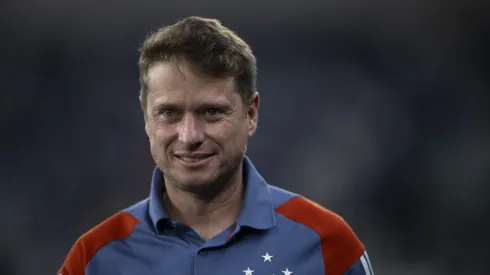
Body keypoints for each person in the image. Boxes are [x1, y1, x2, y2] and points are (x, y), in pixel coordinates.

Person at [58, 16, 374, 275]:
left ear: (251, 114)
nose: (190, 135)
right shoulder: (93, 260)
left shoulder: (328, 245)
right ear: (146, 117)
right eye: (169, 113)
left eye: (211, 112)